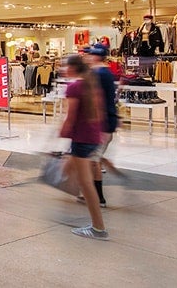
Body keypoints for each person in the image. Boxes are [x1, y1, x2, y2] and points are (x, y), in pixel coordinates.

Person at [60, 53, 108, 240]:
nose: (63, 69)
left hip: (82, 138)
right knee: (78, 176)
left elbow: (70, 117)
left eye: (65, 66)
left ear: (72, 68)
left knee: (86, 184)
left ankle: (98, 227)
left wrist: (63, 132)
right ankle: (97, 225)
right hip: (92, 136)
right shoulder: (89, 83)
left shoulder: (74, 87)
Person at [83, 43, 121, 208]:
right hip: (105, 122)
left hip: (101, 124)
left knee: (93, 160)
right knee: (92, 159)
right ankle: (90, 193)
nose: (87, 57)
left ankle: (98, 197)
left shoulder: (98, 74)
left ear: (96, 55)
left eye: (90, 54)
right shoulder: (106, 72)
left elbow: (96, 101)